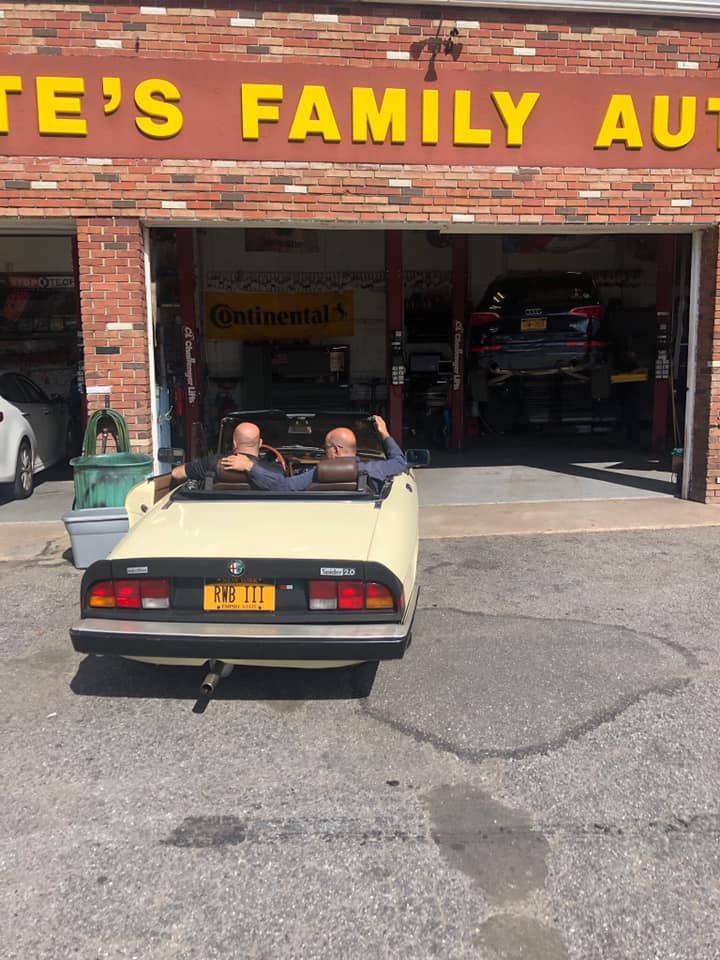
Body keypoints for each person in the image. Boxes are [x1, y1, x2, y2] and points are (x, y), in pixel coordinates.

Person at [221, 415, 406, 492]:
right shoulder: (375, 469)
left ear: (335, 450)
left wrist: (251, 467)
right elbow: (399, 461)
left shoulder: (317, 474)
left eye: (324, 448)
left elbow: (282, 488)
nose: (324, 453)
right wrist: (384, 433)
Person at [171, 421, 274, 484]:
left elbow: (176, 474)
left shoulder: (213, 463)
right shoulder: (272, 471)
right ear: (260, 443)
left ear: (234, 443)